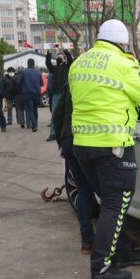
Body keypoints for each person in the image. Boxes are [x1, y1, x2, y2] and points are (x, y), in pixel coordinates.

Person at [70, 19, 140, 279]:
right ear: (123, 42)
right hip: (113, 145)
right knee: (115, 205)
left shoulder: (79, 63)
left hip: (82, 145)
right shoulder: (124, 63)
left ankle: (122, 252)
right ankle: (101, 269)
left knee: (112, 204)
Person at [53, 81, 94, 255]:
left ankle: (87, 242)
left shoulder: (73, 80)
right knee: (110, 192)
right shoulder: (105, 78)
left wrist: (62, 143)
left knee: (83, 190)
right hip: (92, 139)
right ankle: (117, 244)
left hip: (69, 139)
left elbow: (58, 114)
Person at [45, 50, 73, 142]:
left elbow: (71, 61)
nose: (59, 58)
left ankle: (67, 133)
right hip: (56, 94)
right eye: (58, 57)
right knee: (54, 114)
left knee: (67, 114)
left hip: (66, 94)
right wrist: (49, 54)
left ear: (64, 59)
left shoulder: (67, 67)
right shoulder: (54, 68)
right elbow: (47, 62)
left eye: (61, 57)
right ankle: (53, 134)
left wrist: (66, 51)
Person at [20, 59, 43, 132]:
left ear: (27, 64)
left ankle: (34, 124)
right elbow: (42, 83)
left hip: (27, 93)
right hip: (37, 93)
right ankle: (35, 124)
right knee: (35, 109)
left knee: (30, 110)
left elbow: (18, 82)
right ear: (34, 64)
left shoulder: (24, 72)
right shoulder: (38, 72)